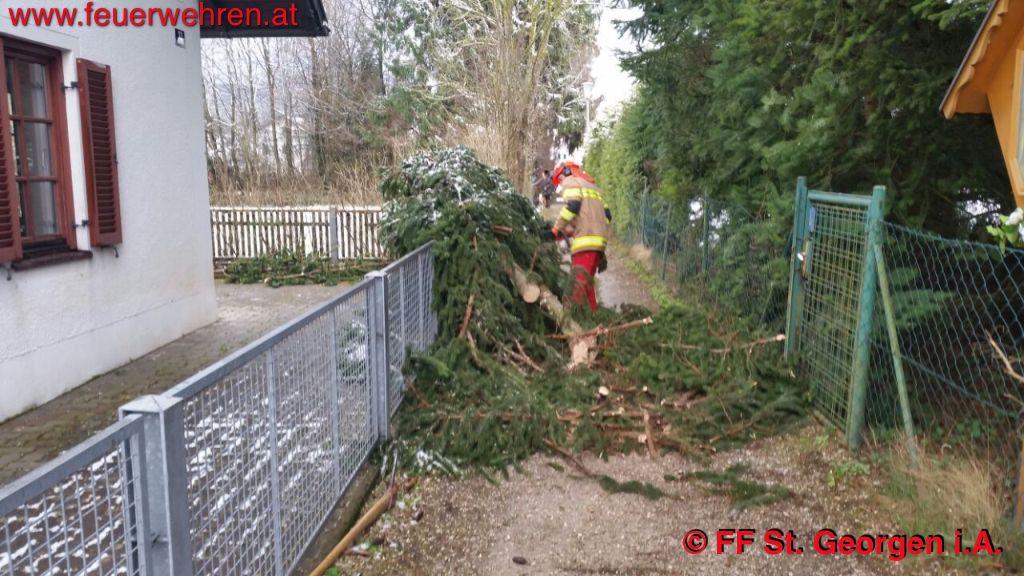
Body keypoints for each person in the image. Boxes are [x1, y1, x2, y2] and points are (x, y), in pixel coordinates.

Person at [550, 161, 611, 312]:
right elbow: (607, 216)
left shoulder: (571, 182)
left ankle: (573, 325)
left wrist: (556, 229)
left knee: (576, 290)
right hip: (599, 243)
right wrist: (572, 230)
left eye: (560, 179)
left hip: (586, 242)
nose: (561, 183)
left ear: (565, 172)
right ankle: (593, 318)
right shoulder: (592, 187)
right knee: (587, 286)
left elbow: (572, 207)